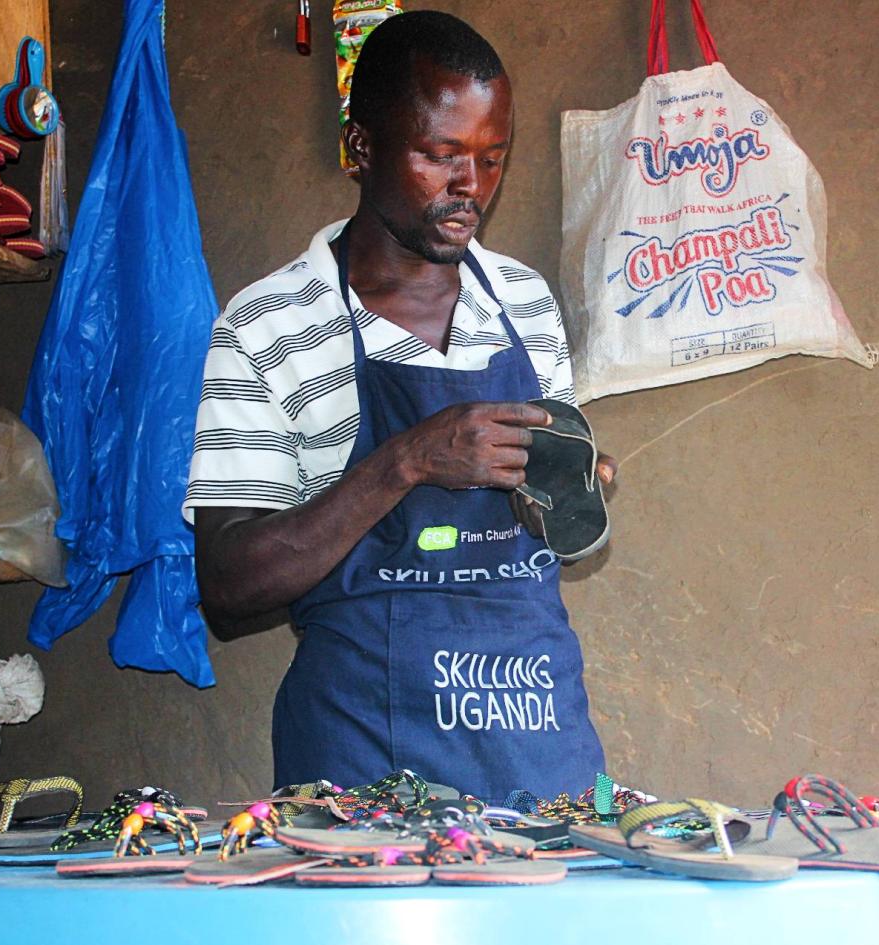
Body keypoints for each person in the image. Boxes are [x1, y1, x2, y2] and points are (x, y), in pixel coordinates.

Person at [184, 11, 613, 800]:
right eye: (440, 156)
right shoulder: (269, 324)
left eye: (492, 158)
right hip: (362, 770)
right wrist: (409, 459)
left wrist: (564, 486)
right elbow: (228, 585)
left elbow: (547, 529)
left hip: (538, 748)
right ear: (360, 149)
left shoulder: (524, 300)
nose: (470, 189)